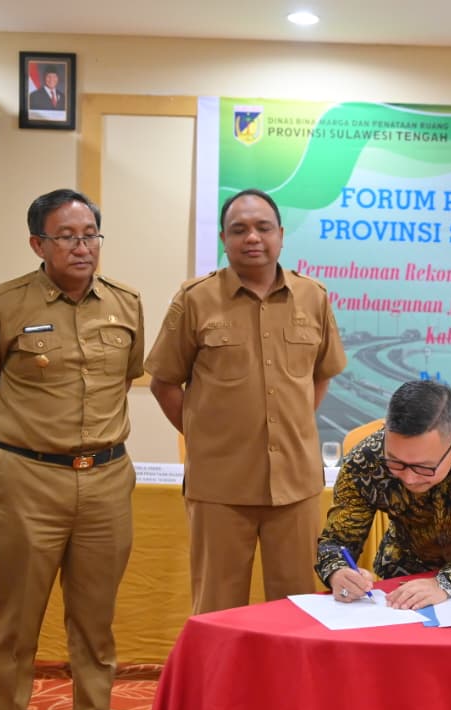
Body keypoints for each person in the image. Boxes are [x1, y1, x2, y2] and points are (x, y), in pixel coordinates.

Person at [0, 188, 144, 710]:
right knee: (15, 622)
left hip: (106, 479)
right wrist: (25, 437)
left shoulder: (126, 304)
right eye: (67, 236)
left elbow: (126, 379)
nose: (82, 247)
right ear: (38, 243)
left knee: (95, 620)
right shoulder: (3, 304)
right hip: (28, 481)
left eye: (90, 235)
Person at [147, 188, 347, 613]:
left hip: (295, 485)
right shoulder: (195, 299)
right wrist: (207, 435)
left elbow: (321, 374)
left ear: (281, 235)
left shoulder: (313, 296)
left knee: (297, 609)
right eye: (239, 230)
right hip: (219, 486)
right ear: (224, 239)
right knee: (217, 609)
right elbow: (164, 383)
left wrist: (289, 425)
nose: (252, 237)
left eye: (263, 228)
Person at [316, 380, 451, 609]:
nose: (409, 478)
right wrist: (337, 571)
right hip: (408, 576)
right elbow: (335, 542)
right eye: (395, 463)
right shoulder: (365, 460)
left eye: (424, 467)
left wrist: (445, 582)